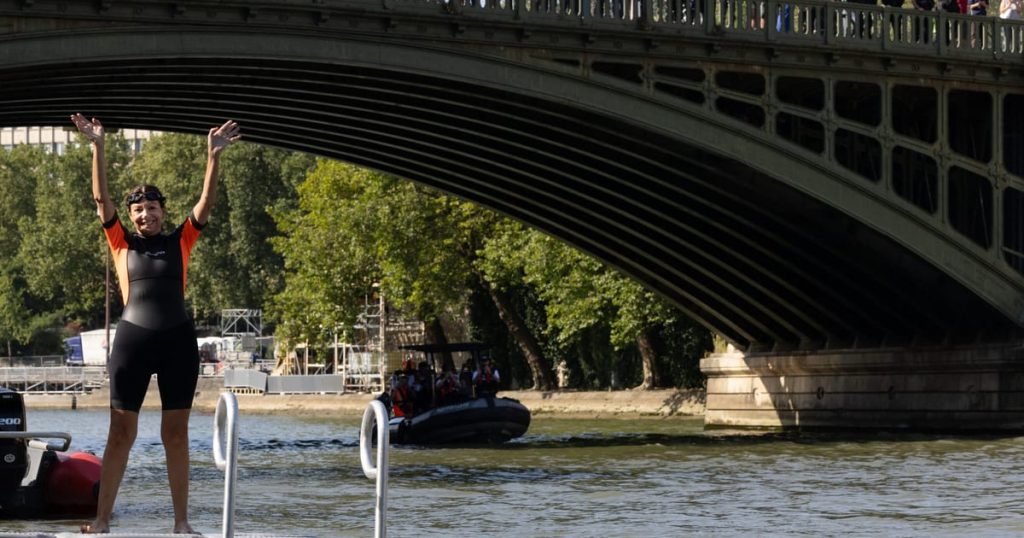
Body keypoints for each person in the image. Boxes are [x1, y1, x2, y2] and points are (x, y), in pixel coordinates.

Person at [71, 113, 240, 534]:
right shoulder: (119, 241)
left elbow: (206, 204)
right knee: (119, 433)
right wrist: (97, 146)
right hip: (132, 342)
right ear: (130, 217)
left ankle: (181, 523)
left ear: (163, 211)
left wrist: (213, 157)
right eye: (139, 210)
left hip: (177, 342)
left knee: (176, 436)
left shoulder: (181, 239)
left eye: (152, 208)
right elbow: (100, 200)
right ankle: (103, 520)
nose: (145, 215)